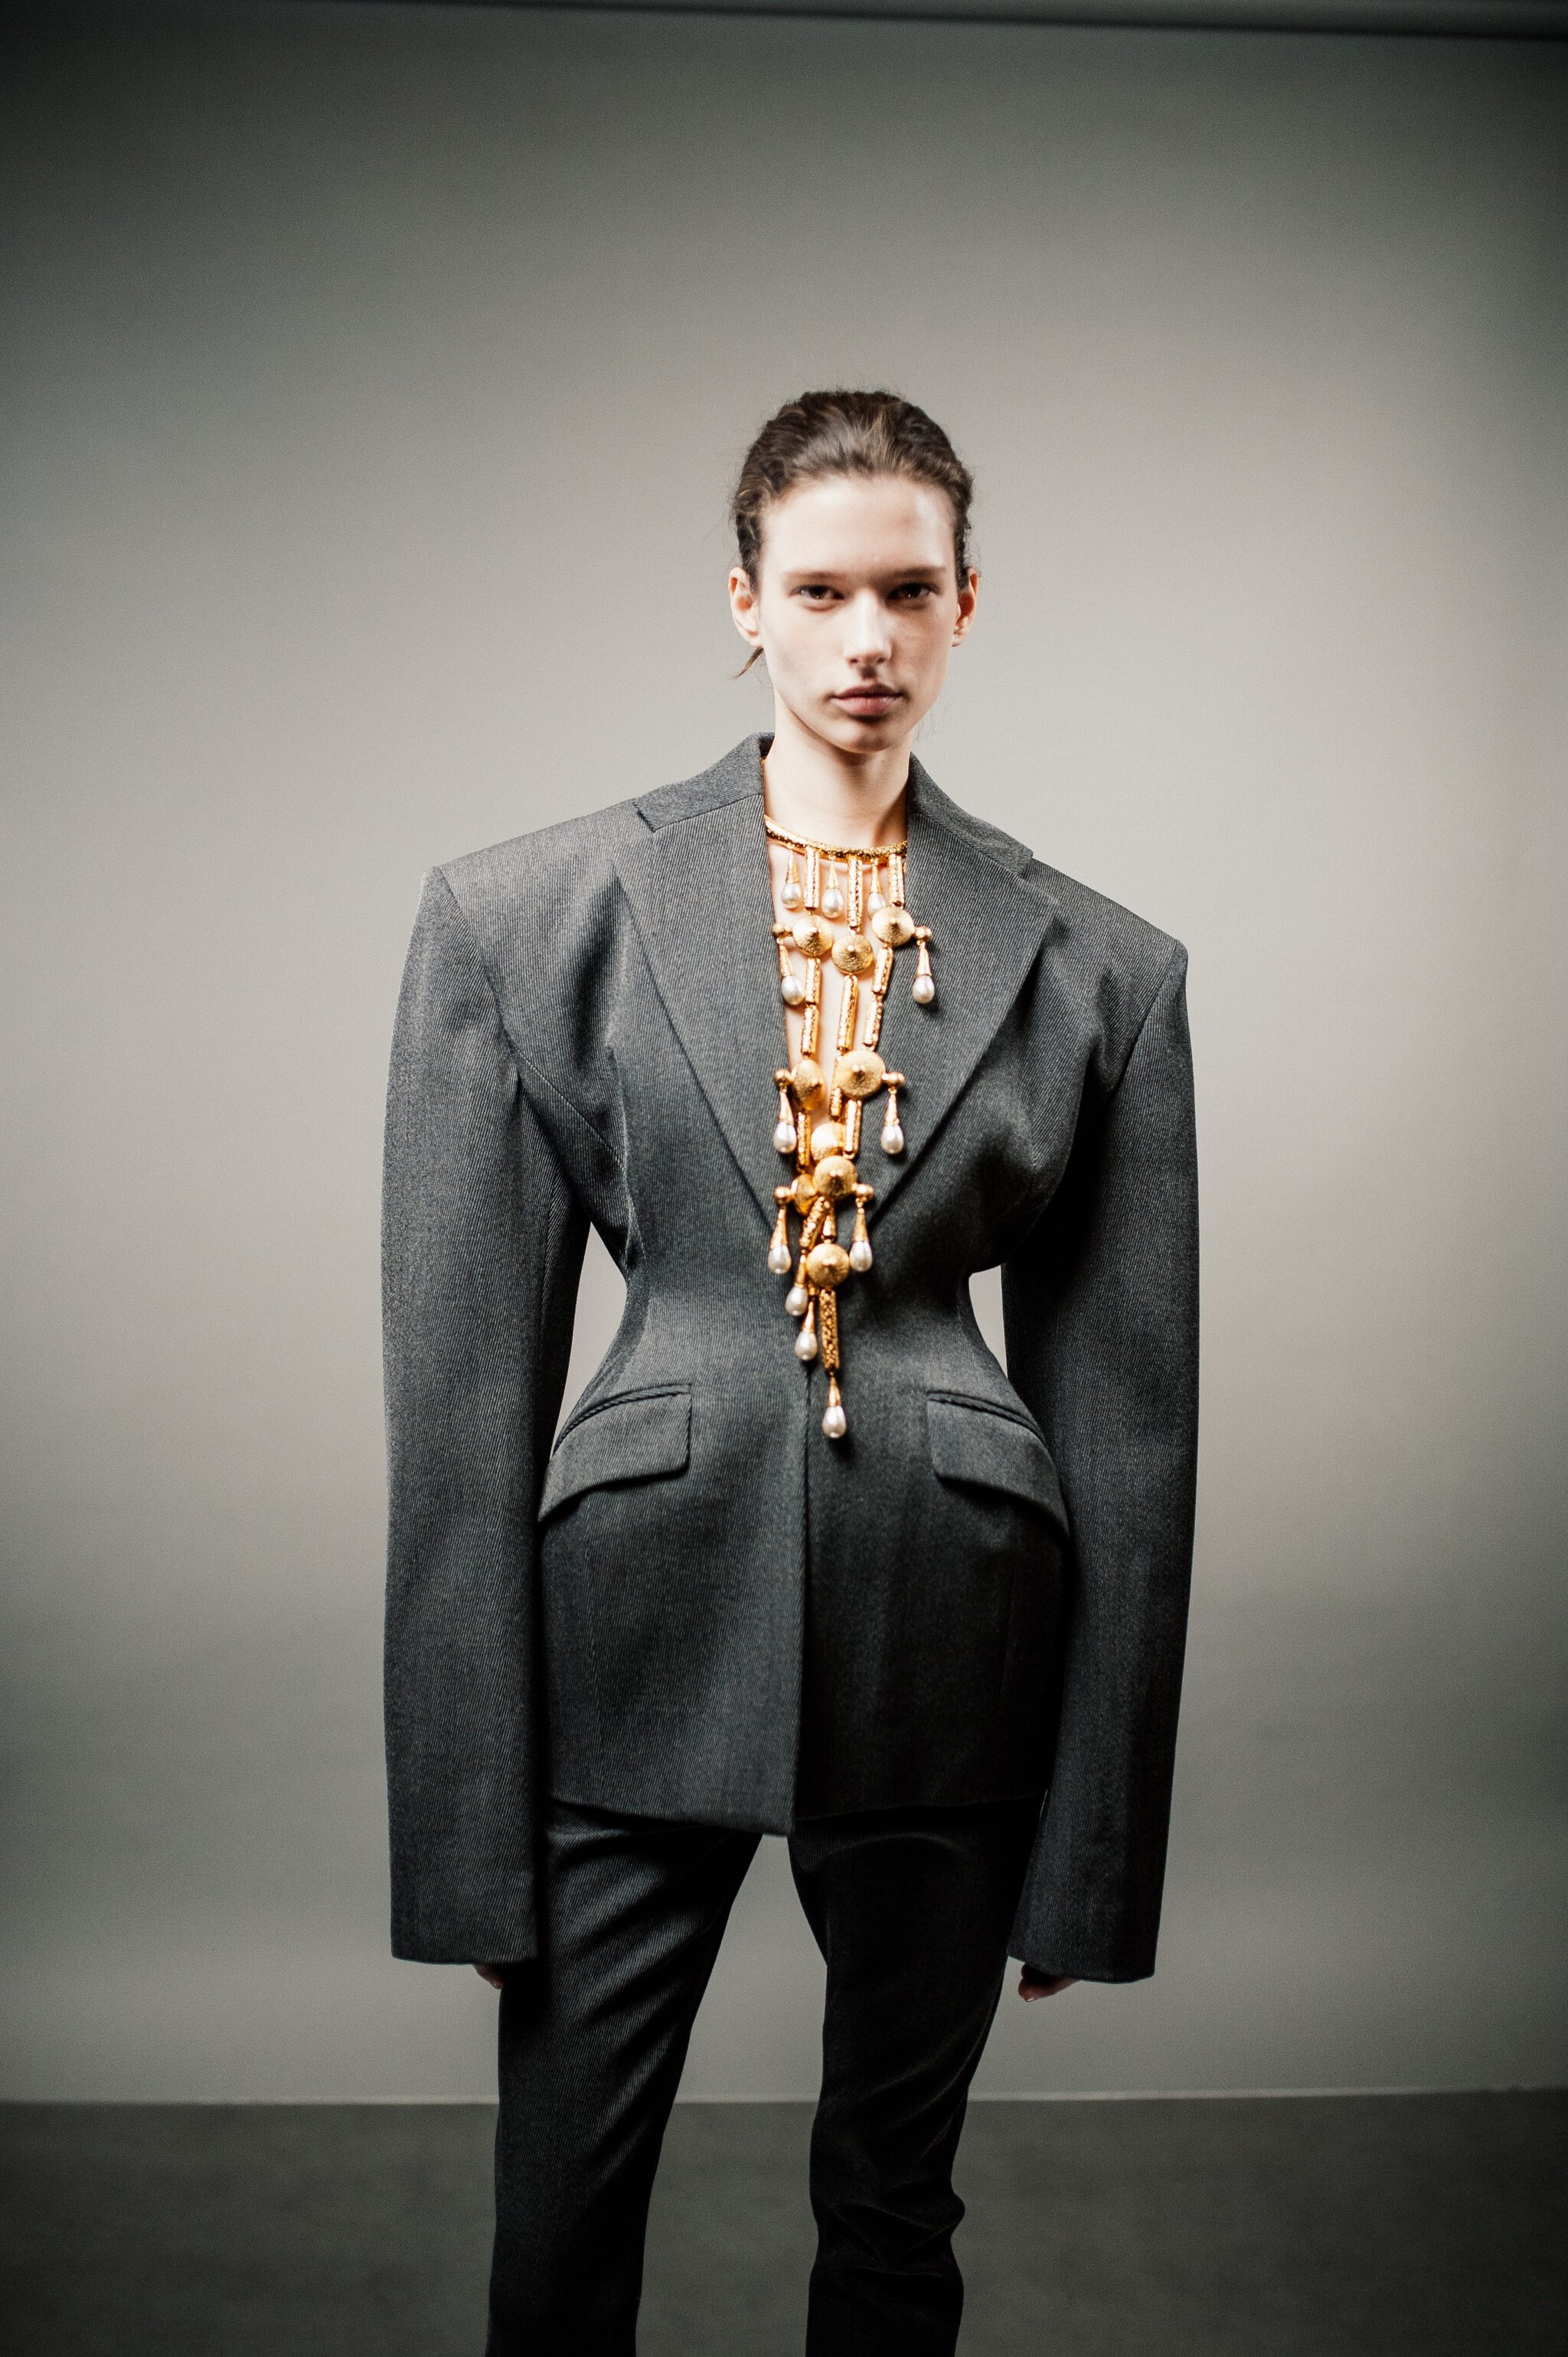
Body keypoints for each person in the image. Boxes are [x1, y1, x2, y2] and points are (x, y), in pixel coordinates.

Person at [381, 388, 1199, 2355]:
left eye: (906, 591)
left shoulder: (1103, 967)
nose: (865, 639)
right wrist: (465, 1841)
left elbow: (1134, 1440)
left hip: (955, 1632)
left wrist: (1087, 1859)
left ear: (966, 606)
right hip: (626, 1631)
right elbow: (458, 1410)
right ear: (741, 600)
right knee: (559, 2224)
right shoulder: (525, 916)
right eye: (818, 591)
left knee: (896, 2217)